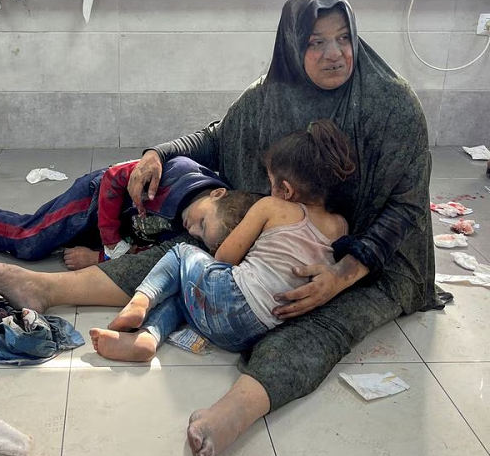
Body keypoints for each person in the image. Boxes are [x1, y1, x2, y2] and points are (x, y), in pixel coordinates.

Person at [0, 0, 441, 456]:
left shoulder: (389, 104)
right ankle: (43, 288)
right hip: (286, 236)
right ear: (293, 47)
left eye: (343, 38)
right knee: (187, 254)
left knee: (316, 321)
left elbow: (404, 209)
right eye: (316, 42)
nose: (334, 53)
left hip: (375, 261)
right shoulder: (270, 98)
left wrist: (340, 275)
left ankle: (226, 418)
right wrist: (158, 154)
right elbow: (217, 134)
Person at [89, 119, 354, 362]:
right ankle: (147, 338)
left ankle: (140, 302)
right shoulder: (341, 226)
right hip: (250, 333)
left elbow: (224, 258)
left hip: (233, 298)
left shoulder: (271, 206)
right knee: (186, 295)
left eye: (271, 182)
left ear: (285, 190)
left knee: (183, 252)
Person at [0, 157, 259, 269]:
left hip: (116, 227)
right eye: (201, 223)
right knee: (31, 241)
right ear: (217, 193)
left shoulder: (196, 228)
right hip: (94, 201)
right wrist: (108, 245)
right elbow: (113, 178)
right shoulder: (174, 173)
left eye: (200, 235)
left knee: (35, 234)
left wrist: (97, 258)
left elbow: (148, 250)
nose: (192, 229)